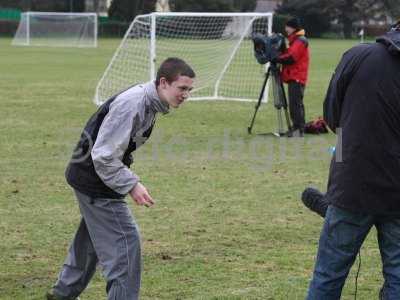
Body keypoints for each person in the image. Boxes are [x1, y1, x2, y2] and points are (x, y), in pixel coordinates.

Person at [47, 57, 195, 300]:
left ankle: (62, 293)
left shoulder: (150, 102)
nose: (186, 95)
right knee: (126, 245)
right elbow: (103, 156)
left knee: (92, 241)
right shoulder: (133, 104)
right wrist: (132, 184)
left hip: (94, 176)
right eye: (182, 88)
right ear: (163, 83)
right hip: (95, 179)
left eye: (189, 89)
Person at [306, 22, 400, 299]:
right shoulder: (359, 55)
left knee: (328, 274)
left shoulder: (358, 56)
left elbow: (332, 117)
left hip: (353, 186)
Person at [275, 17, 310, 137]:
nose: (285, 29)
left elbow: (291, 57)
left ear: (293, 28)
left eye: (287, 27)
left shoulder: (300, 40)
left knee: (295, 104)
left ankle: (298, 130)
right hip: (295, 76)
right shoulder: (296, 40)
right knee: (295, 103)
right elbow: (289, 54)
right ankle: (299, 128)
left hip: (297, 77)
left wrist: (276, 58)